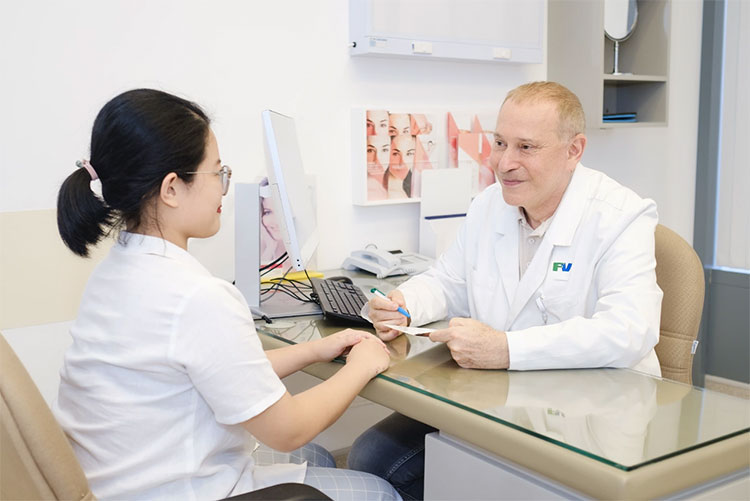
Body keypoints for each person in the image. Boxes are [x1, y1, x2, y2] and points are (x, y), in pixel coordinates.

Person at [53, 88, 400, 501]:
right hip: (179, 491)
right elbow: (288, 430)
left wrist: (313, 351)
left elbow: (223, 371)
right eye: (217, 173)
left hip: (121, 486)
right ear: (171, 188)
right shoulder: (197, 297)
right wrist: (362, 365)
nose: (223, 188)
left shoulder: (115, 272)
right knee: (380, 492)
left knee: (318, 458)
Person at [348, 81, 663, 500]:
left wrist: (506, 349)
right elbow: (448, 280)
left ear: (573, 150)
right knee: (371, 456)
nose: (504, 163)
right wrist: (405, 304)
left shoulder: (621, 216)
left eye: (526, 147)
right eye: (499, 143)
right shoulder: (489, 204)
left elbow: (629, 330)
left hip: (588, 414)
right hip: (498, 398)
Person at [383, 134, 416, 199]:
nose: (402, 162)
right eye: (396, 154)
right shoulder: (382, 193)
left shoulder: (412, 190)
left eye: (409, 153)